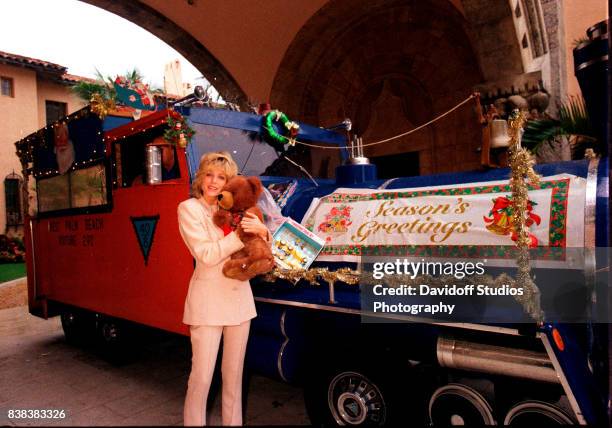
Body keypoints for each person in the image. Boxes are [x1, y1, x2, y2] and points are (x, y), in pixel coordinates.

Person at [178, 151, 270, 426]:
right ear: (201, 176)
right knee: (202, 377)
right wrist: (241, 235)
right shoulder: (189, 208)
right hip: (207, 305)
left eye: (221, 177)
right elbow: (205, 254)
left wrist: (262, 231)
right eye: (209, 174)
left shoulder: (237, 207)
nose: (213, 182)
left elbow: (261, 249)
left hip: (239, 302)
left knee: (234, 377)